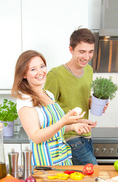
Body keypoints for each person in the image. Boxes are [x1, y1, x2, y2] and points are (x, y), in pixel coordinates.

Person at [11, 50, 93, 167]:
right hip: (45, 165)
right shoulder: (25, 100)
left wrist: (73, 126)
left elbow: (53, 129)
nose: (40, 72)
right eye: (33, 69)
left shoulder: (48, 94)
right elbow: (35, 136)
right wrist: (63, 122)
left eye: (42, 66)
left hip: (63, 159)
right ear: (24, 74)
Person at [44, 28, 107, 165]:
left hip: (86, 134)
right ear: (71, 50)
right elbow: (46, 112)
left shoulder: (89, 70)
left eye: (90, 51)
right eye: (82, 51)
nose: (87, 57)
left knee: (83, 181)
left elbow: (82, 98)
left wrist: (95, 104)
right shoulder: (56, 75)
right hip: (69, 137)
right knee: (93, 174)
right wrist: (72, 124)